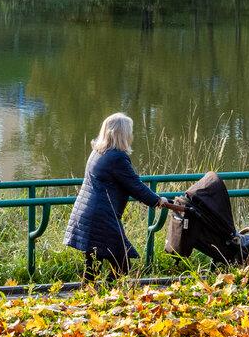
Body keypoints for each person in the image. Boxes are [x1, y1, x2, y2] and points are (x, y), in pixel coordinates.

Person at [64, 112, 184, 280]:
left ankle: (92, 298)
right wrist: (158, 200)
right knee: (122, 264)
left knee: (92, 264)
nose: (131, 135)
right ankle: (111, 297)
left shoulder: (98, 152)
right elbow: (135, 185)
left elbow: (125, 184)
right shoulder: (117, 158)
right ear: (122, 134)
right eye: (130, 131)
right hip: (102, 217)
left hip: (86, 214)